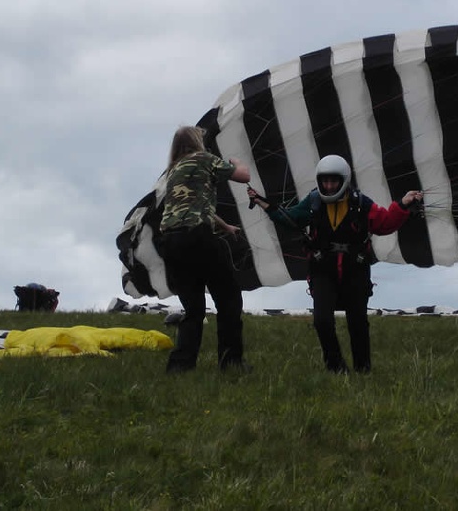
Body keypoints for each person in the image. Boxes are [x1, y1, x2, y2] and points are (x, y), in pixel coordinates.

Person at [248, 154, 423, 374]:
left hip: (355, 270)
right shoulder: (313, 202)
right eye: (325, 181)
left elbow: (384, 224)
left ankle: (363, 370)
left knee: (357, 322)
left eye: (333, 181)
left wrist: (403, 204)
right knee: (322, 320)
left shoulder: (360, 203)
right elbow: (291, 219)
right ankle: (336, 367)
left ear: (344, 180)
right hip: (323, 270)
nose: (329, 186)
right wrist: (264, 203)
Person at [158, 125, 251, 374]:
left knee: (194, 309)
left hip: (171, 242)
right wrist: (235, 161)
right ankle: (230, 362)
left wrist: (226, 227)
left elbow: (195, 206)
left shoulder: (174, 170)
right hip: (197, 238)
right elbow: (244, 176)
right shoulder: (204, 159)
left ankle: (180, 366)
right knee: (229, 300)